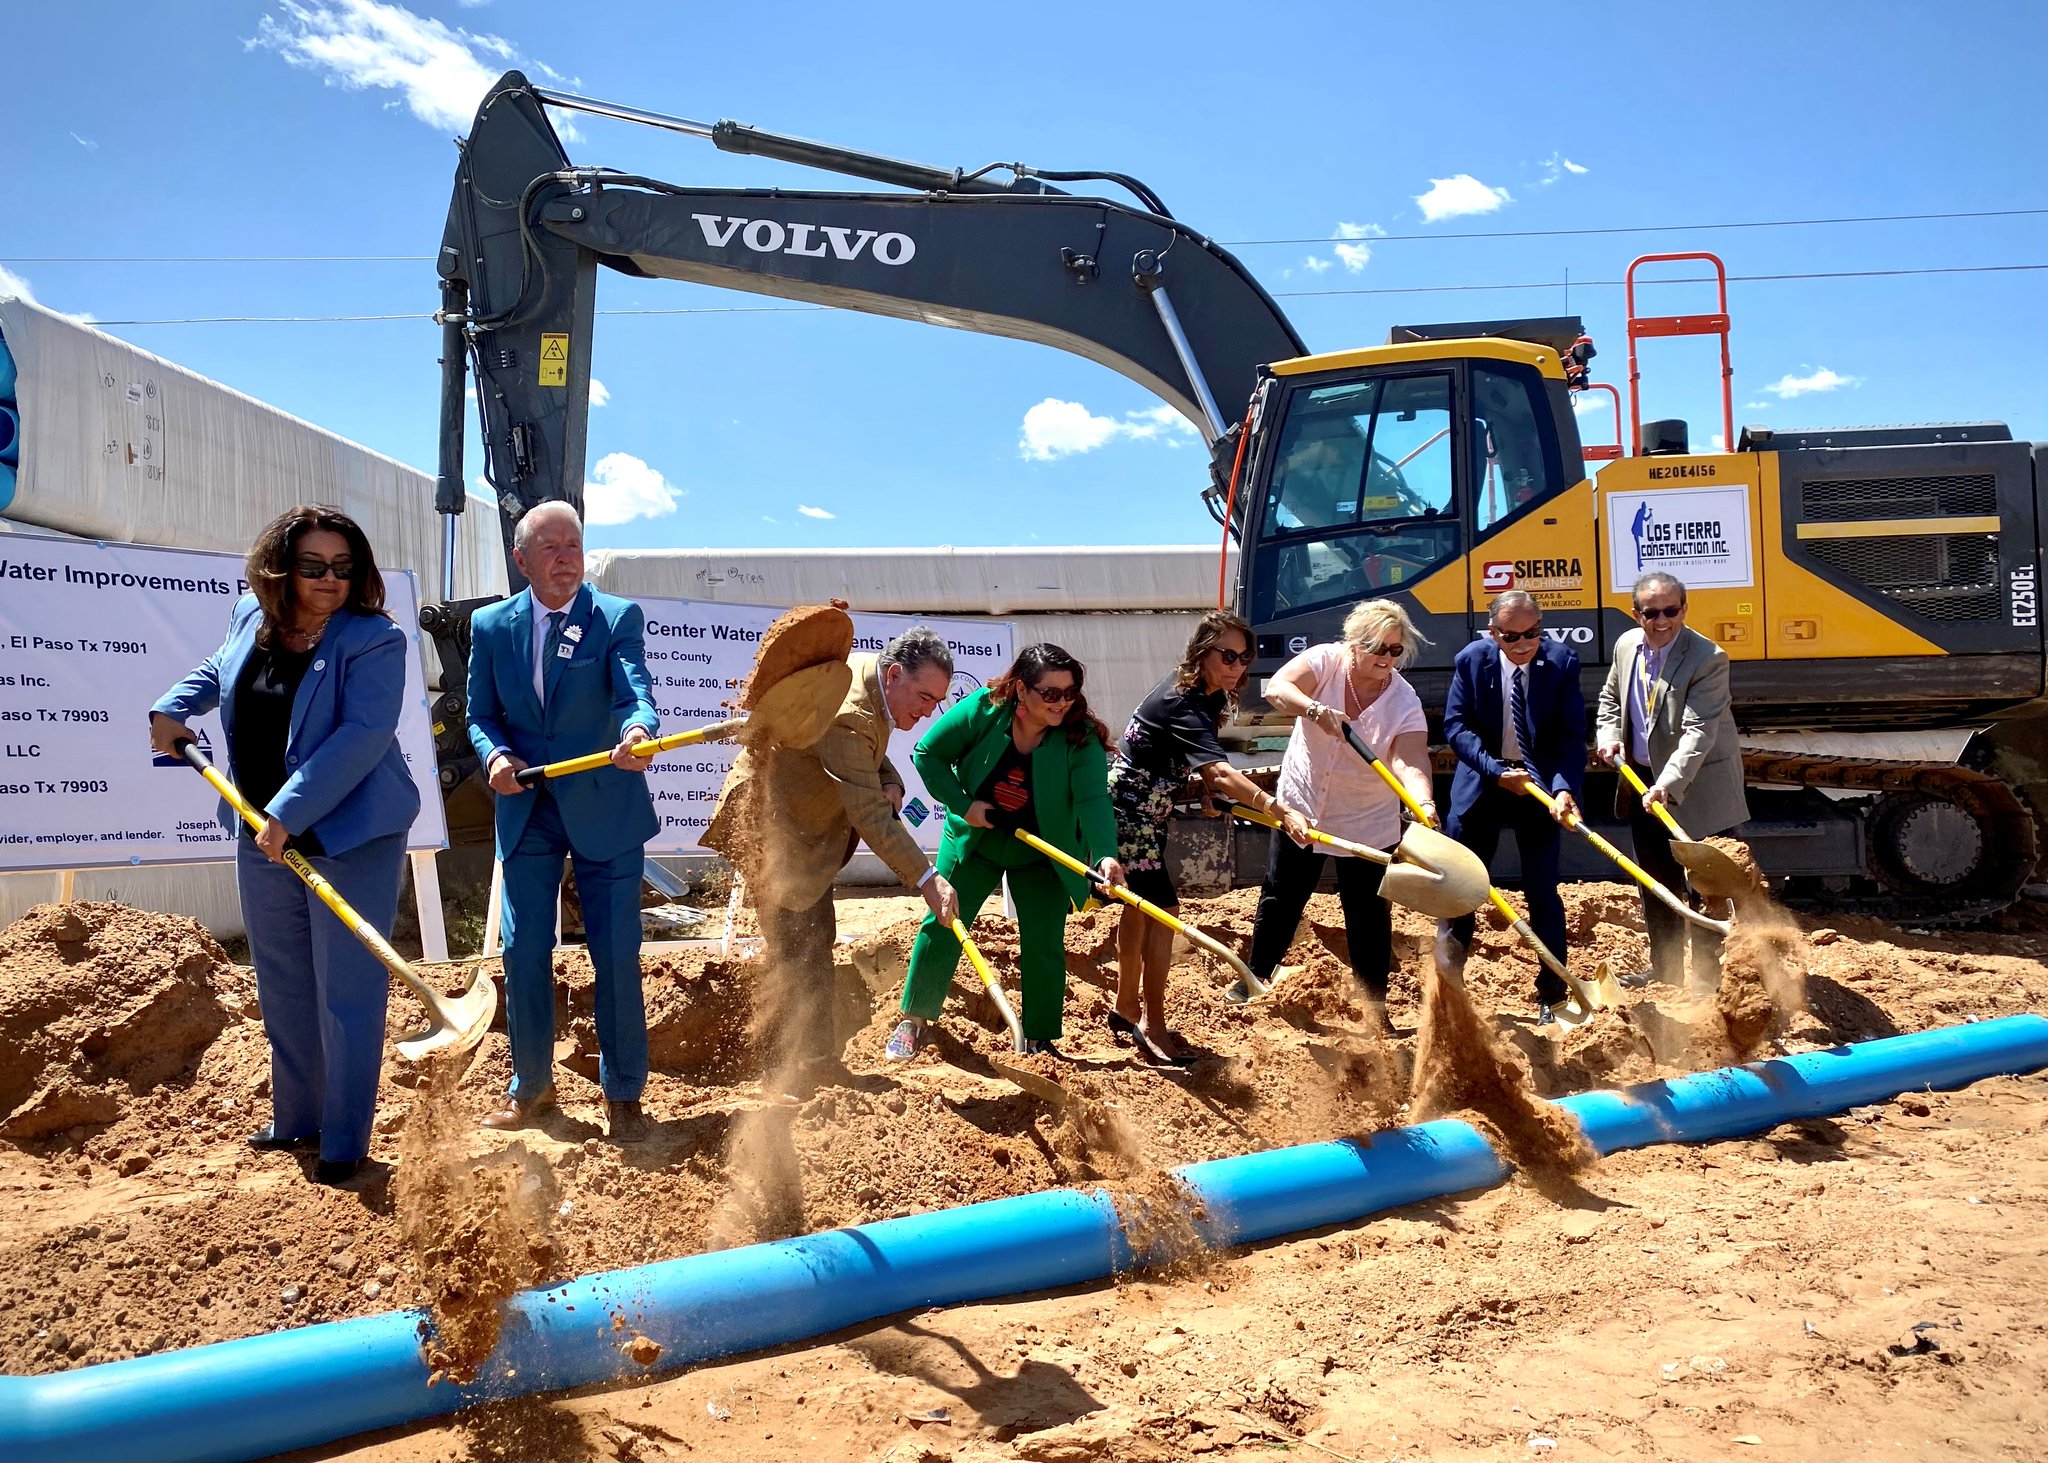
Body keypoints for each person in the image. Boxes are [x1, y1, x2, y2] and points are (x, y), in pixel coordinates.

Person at [150, 506, 419, 1186]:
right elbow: (218, 670)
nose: (329, 579)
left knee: (346, 990)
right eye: (313, 566)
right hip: (259, 830)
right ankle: (297, 1117)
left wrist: (288, 811)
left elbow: (361, 736)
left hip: (350, 833)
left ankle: (344, 1139)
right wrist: (173, 705)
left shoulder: (374, 639)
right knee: (284, 980)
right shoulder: (252, 615)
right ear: (280, 568)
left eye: (343, 567)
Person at [465, 501, 659, 1142]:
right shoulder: (492, 625)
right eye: (549, 548)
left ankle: (624, 1093)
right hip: (528, 808)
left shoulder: (614, 617)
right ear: (521, 560)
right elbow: (480, 713)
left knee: (616, 953)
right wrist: (494, 755)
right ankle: (531, 1089)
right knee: (523, 949)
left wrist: (638, 730)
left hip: (605, 803)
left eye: (573, 545)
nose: (565, 558)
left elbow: (634, 690)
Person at [702, 627, 962, 1095]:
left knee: (816, 937)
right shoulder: (853, 711)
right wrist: (928, 878)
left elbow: (865, 751)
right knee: (793, 946)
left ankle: (817, 1059)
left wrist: (891, 779)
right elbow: (870, 814)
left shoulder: (870, 677)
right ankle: (781, 1074)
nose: (928, 712)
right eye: (924, 697)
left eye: (936, 702)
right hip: (772, 823)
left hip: (804, 825)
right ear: (895, 674)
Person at [888, 644, 1124, 1059]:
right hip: (977, 839)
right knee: (944, 920)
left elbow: (1092, 801)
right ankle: (915, 1019)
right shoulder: (985, 709)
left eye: (1070, 692)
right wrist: (964, 806)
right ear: (1020, 688)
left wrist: (1105, 854)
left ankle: (1040, 1039)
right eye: (1050, 693)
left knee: (1044, 940)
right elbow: (929, 755)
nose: (1062, 702)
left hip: (1043, 851)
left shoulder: (1079, 736)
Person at [1110, 610, 1310, 1063]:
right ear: (1202, 653)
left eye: (1245, 657)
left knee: (1139, 907)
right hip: (1129, 812)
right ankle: (1152, 1025)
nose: (1237, 665)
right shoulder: (1185, 701)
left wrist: (1201, 789)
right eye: (1228, 655)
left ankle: (1125, 1006)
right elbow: (1219, 771)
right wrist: (1275, 807)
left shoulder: (1208, 695)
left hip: (1149, 809)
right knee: (1163, 911)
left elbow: (1190, 762)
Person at [1246, 599, 1435, 1024]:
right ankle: (1254, 980)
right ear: (1353, 643)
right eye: (1377, 648)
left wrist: (1423, 801)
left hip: (1365, 819)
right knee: (1281, 896)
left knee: (1368, 914)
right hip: (1302, 805)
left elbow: (1410, 759)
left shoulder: (1403, 700)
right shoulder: (1326, 662)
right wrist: (1314, 709)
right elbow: (1277, 689)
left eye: (1395, 650)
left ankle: (1375, 1009)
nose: (1387, 658)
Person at [1435, 590, 1588, 1024]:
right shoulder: (1472, 661)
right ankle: (1449, 995)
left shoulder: (1561, 662)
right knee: (1459, 890)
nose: (1523, 644)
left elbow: (1569, 736)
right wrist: (1496, 771)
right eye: (1512, 636)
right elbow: (1456, 727)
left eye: (1532, 634)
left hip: (1539, 786)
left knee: (1543, 890)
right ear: (1493, 633)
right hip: (1484, 781)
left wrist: (1563, 789)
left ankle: (1552, 994)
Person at [1596, 571, 1750, 990]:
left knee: (1708, 887)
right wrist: (1608, 736)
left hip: (1696, 786)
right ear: (1636, 614)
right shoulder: (1626, 646)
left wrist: (1667, 784)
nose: (1662, 620)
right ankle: (1666, 973)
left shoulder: (1708, 657)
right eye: (1651, 613)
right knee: (1656, 883)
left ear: (1684, 609)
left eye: (1671, 611)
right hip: (1642, 782)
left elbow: (1699, 731)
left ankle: (1706, 979)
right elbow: (1611, 699)